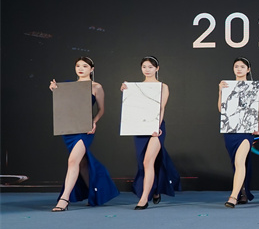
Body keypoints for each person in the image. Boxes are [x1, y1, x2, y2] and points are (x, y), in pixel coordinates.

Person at [48, 57, 119, 211]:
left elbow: (101, 110)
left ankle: (64, 199)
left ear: (92, 69)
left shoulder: (96, 87)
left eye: (85, 66)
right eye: (78, 66)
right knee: (82, 163)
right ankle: (96, 195)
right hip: (69, 130)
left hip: (85, 129)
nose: (80, 69)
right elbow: (64, 105)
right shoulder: (68, 85)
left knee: (73, 161)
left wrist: (94, 121)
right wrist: (55, 89)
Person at [122, 56, 181, 210]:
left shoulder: (163, 86)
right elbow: (132, 108)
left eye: (150, 67)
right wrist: (126, 92)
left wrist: (156, 126)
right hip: (139, 129)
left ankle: (143, 198)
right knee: (144, 163)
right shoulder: (135, 87)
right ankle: (155, 189)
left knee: (148, 162)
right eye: (144, 67)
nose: (147, 70)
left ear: (157, 68)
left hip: (156, 128)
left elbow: (161, 108)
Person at [219, 57, 259, 208]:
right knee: (237, 164)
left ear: (248, 70)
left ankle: (233, 196)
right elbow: (221, 109)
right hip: (230, 130)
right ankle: (243, 191)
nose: (239, 69)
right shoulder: (226, 86)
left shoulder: (253, 87)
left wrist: (258, 125)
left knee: (240, 161)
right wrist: (220, 91)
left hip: (246, 131)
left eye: (242, 67)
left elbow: (258, 109)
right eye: (236, 66)